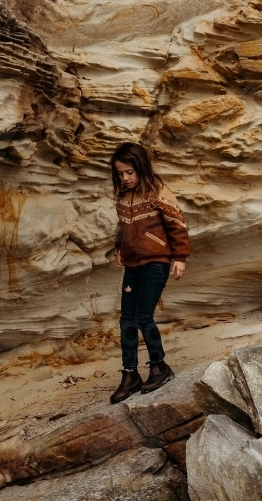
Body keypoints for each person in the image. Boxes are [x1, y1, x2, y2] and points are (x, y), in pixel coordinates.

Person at [108, 142, 190, 403]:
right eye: (120, 173)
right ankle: (130, 374)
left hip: (157, 261)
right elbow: (124, 227)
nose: (125, 178)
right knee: (126, 321)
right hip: (133, 264)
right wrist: (120, 247)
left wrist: (180, 257)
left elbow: (177, 224)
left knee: (144, 317)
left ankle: (159, 366)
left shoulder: (158, 191)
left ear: (141, 167)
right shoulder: (122, 195)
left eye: (130, 172)